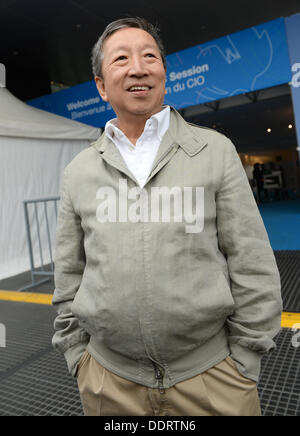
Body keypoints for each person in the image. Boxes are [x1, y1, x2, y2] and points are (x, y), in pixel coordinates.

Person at [52, 17, 282, 416]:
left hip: (214, 378)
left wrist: (245, 360)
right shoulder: (79, 172)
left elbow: (251, 260)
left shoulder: (214, 151)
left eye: (150, 56)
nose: (139, 67)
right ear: (101, 86)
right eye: (121, 58)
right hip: (109, 383)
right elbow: (69, 272)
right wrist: (78, 356)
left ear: (163, 73)